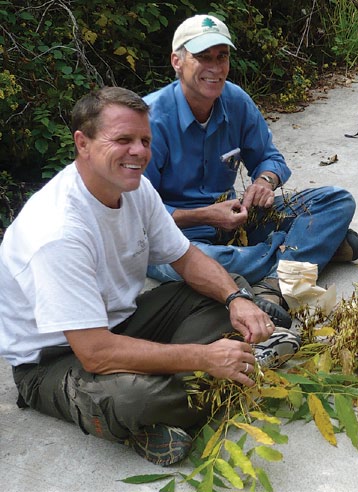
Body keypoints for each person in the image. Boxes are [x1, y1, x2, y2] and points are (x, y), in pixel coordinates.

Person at [0, 87, 299, 467]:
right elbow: (95, 353)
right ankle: (162, 404)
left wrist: (235, 300)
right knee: (132, 398)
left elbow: (187, 258)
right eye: (123, 140)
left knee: (223, 289)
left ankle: (182, 399)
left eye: (144, 140)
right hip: (56, 359)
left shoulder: (136, 189)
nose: (139, 152)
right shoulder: (59, 231)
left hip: (122, 322)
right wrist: (202, 357)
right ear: (83, 143)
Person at [143, 14, 358, 306]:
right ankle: (300, 256)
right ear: (177, 61)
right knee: (198, 261)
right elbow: (139, 217)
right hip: (175, 238)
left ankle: (281, 269)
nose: (215, 67)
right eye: (203, 57)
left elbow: (271, 159)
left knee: (336, 201)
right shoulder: (149, 120)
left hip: (236, 222)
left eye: (222, 57)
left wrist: (264, 181)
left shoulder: (235, 100)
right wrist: (204, 215)